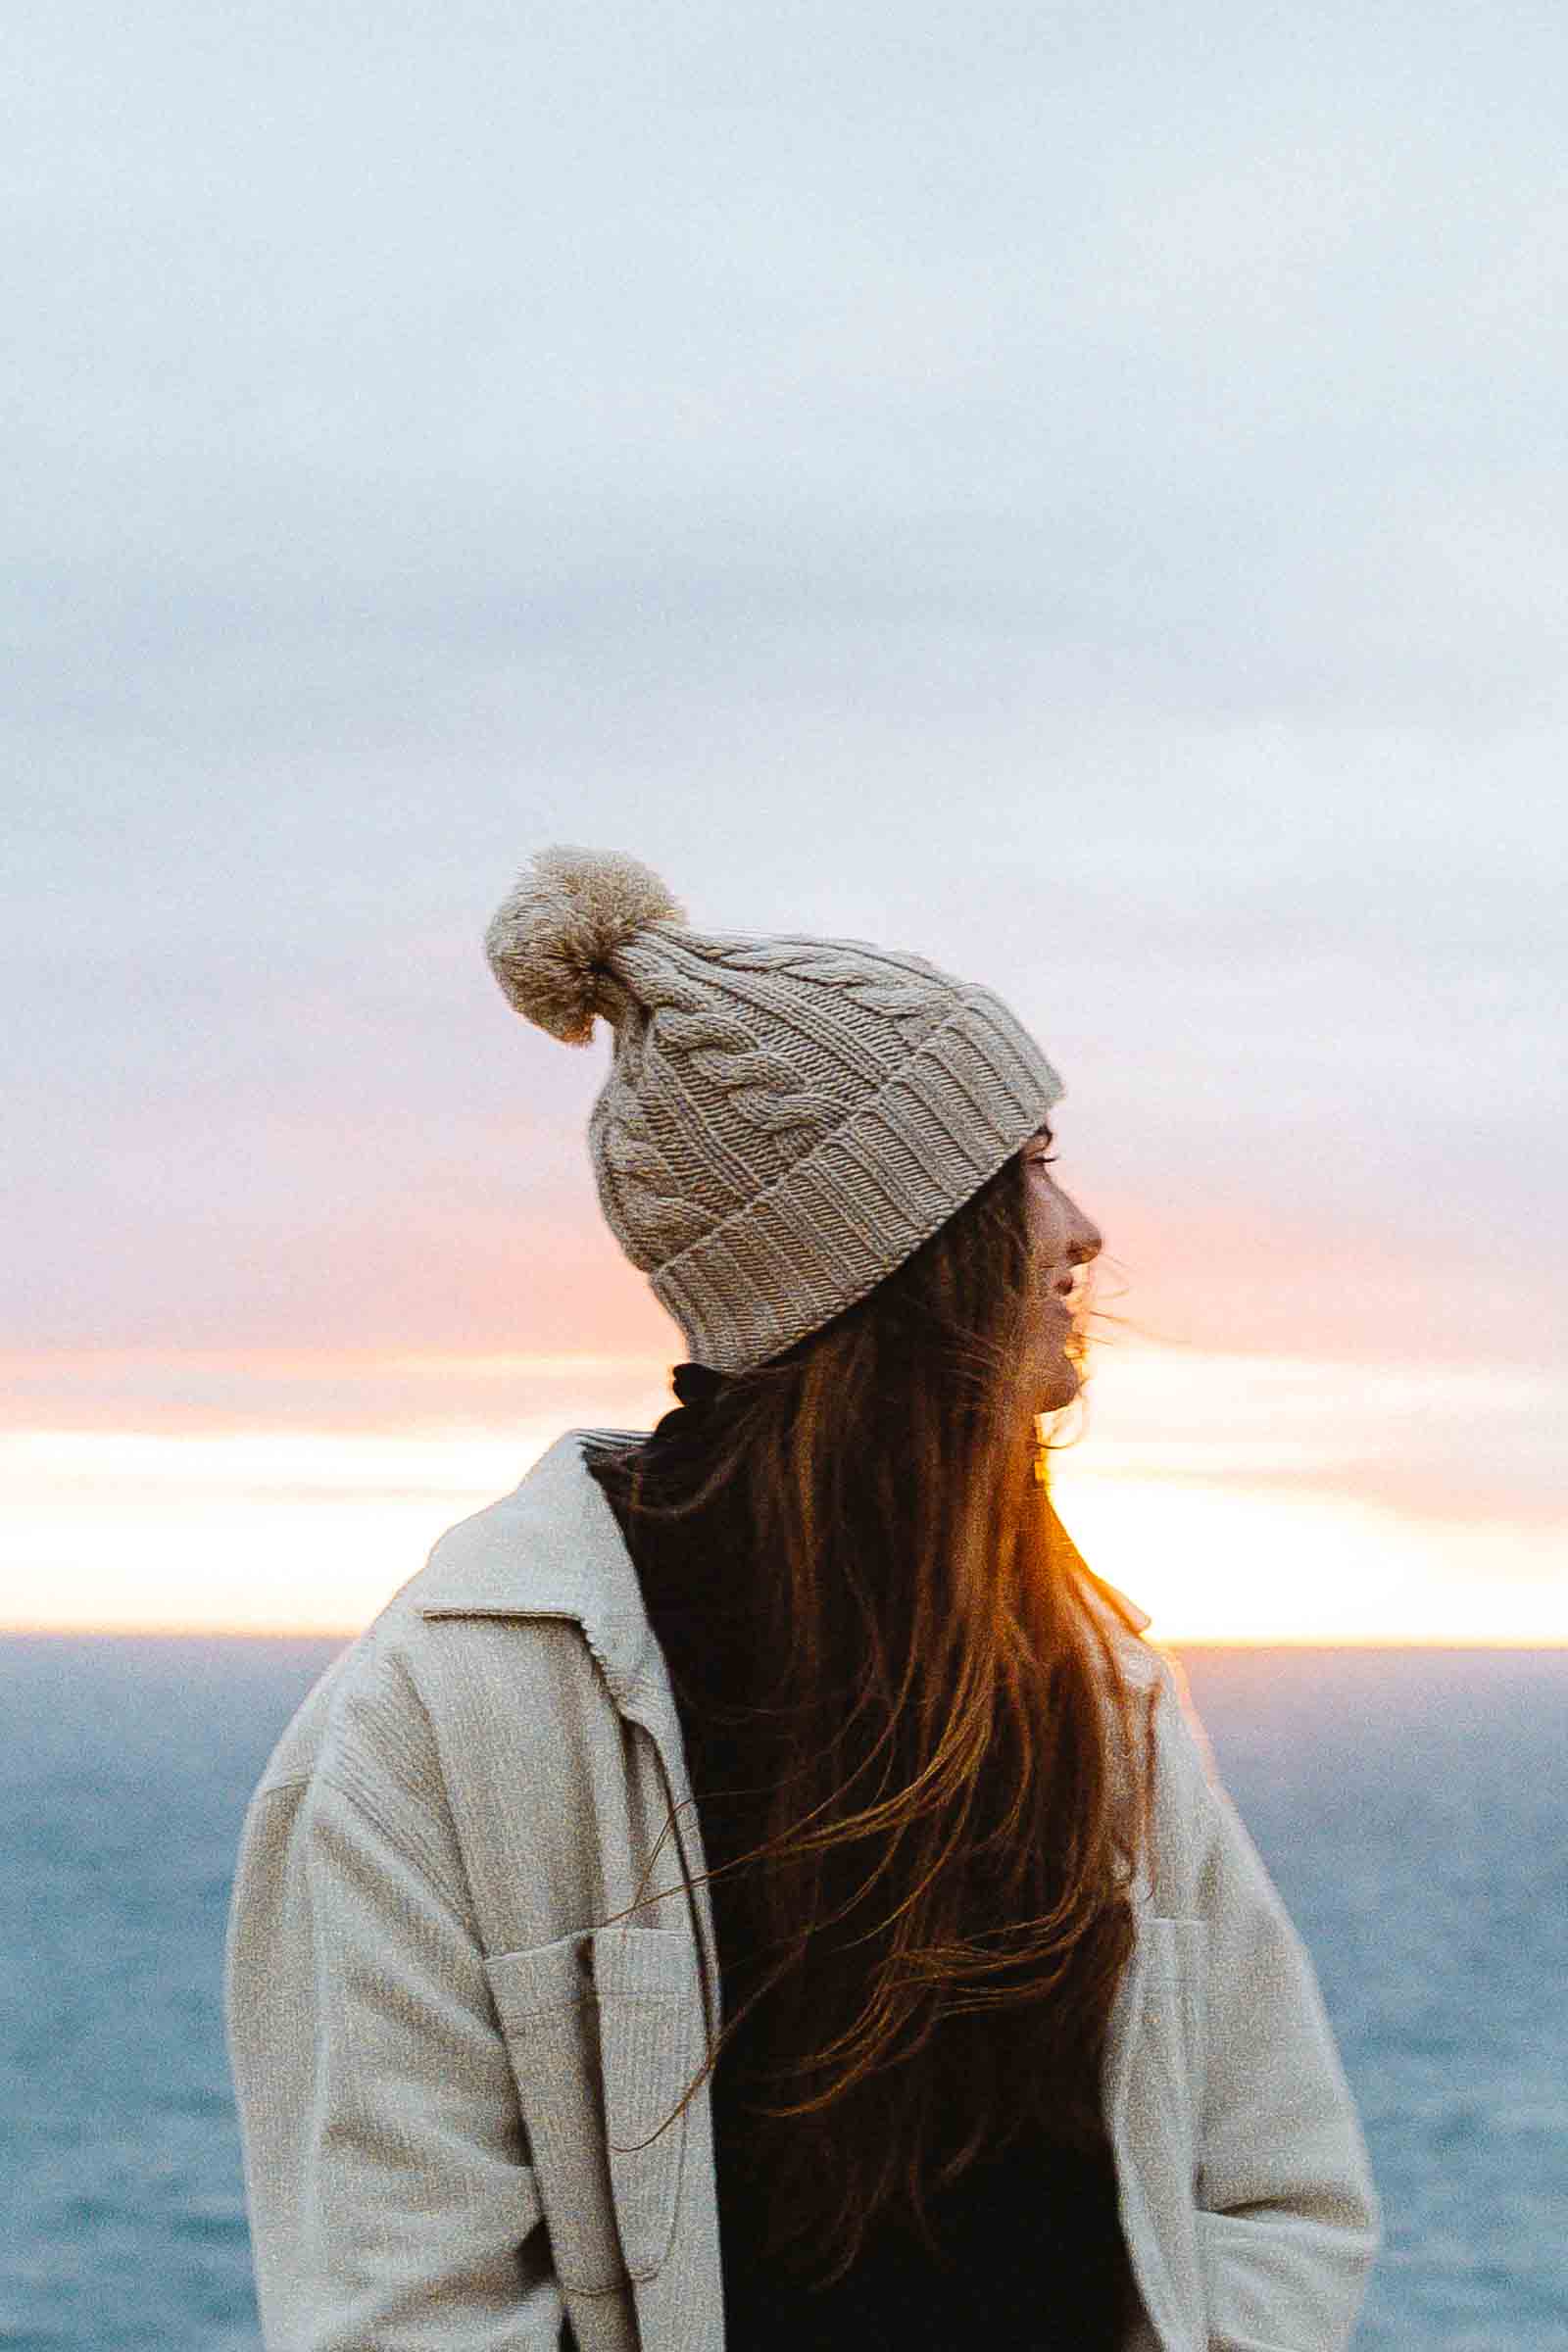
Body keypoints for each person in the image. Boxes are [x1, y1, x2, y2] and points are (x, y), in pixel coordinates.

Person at [223, 844, 1382, 2351]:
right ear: (893, 1249)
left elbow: (1278, 2194)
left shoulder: (1089, 1679)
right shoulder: (446, 1726)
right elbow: (399, 2312)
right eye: (1028, 1165)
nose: (1083, 1228)